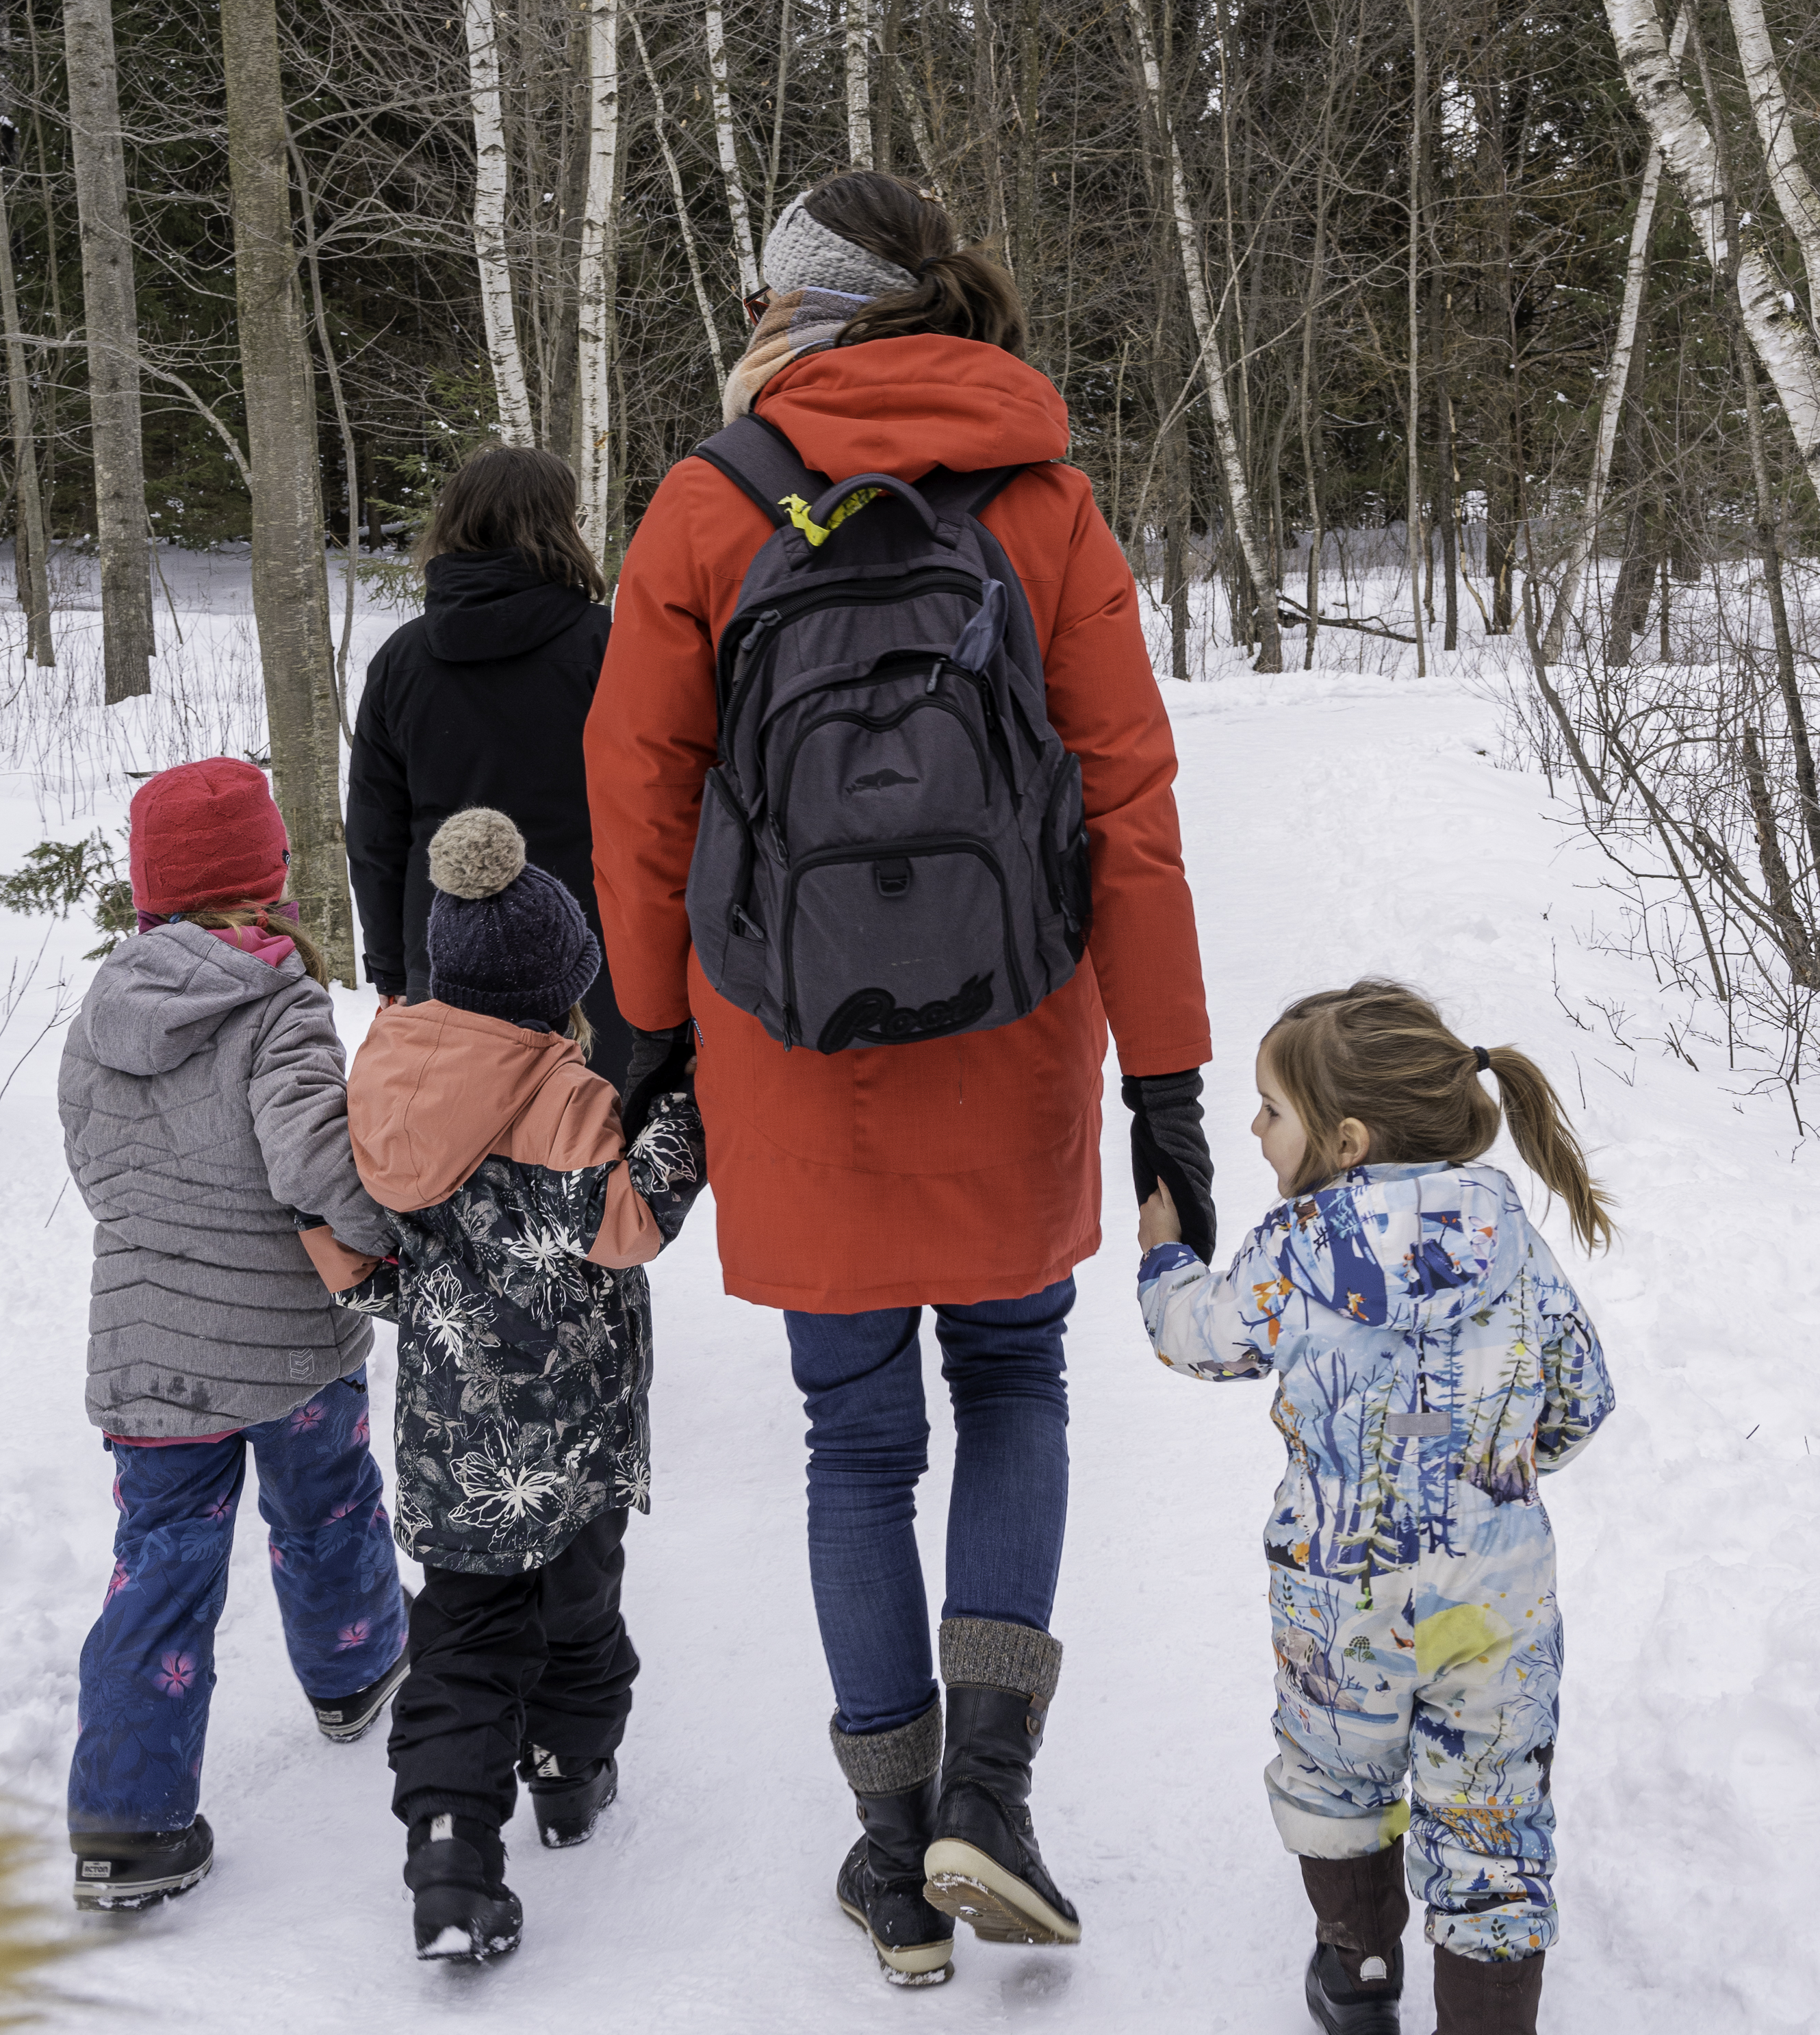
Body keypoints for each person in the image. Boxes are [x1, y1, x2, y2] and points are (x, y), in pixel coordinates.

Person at [587, 170, 1213, 1985]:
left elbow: (632, 799)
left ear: (798, 312)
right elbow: (1128, 809)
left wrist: (649, 1041)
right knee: (1012, 1382)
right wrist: (1159, 1077)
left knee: (852, 1436)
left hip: (789, 1050)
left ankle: (888, 1853)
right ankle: (990, 1804)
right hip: (1012, 1029)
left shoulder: (708, 508)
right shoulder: (1039, 500)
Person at [1137, 980, 1615, 2035]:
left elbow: (1201, 1337)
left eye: (1270, 1110)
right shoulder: (1513, 1247)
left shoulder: (1297, 1247)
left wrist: (1163, 1256)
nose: (1254, 1130)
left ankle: (1357, 1974)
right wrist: (1485, 1457)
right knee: (1489, 1811)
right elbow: (1582, 1399)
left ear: (1347, 1140)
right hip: (1492, 1606)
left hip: (1340, 1601)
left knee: (1336, 1776)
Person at [333, 806, 705, 1964]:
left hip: (454, 1451)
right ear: (559, 990)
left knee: (460, 1637)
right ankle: (569, 1767)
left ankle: (449, 1852)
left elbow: (367, 1260)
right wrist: (687, 1113)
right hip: (575, 1443)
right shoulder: (565, 1101)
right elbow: (629, 1222)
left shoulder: (391, 1083)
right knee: (581, 1611)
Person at [59, 755, 408, 1912]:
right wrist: (383, 1234)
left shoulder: (105, 1009)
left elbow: (95, 1161)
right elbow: (313, 1161)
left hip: (145, 1348)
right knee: (327, 1505)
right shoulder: (276, 1002)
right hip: (284, 1344)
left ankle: (128, 1822)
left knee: (158, 1561)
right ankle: (354, 1666)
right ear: (267, 879)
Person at [345, 444, 632, 1085]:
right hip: (592, 958)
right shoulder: (609, 647)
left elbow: (375, 834)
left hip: (446, 957)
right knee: (601, 1157)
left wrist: (393, 968)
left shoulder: (402, 659)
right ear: (560, 526)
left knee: (468, 1158)